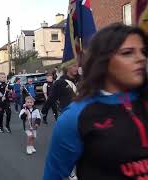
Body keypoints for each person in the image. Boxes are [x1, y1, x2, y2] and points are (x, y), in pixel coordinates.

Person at [43, 24, 148, 180]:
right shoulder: (75, 117)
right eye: (127, 53)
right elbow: (53, 176)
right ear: (103, 61)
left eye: (144, 52)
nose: (141, 58)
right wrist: (44, 112)